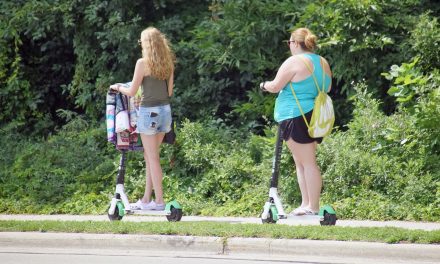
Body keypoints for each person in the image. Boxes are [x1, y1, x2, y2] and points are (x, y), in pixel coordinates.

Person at [259, 28, 332, 215]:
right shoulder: (322, 62)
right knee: (301, 162)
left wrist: (263, 85)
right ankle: (305, 204)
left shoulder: (294, 61)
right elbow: (328, 86)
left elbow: (275, 86)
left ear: (296, 43)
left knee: (307, 162)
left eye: (289, 42)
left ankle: (313, 207)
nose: (289, 46)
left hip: (295, 115)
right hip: (313, 116)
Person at [110, 27, 175, 211]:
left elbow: (131, 91)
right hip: (165, 112)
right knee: (150, 156)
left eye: (141, 42)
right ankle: (147, 200)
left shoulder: (142, 63)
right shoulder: (168, 63)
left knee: (152, 158)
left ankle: (160, 201)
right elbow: (168, 92)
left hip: (149, 113)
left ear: (146, 44)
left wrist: (117, 87)